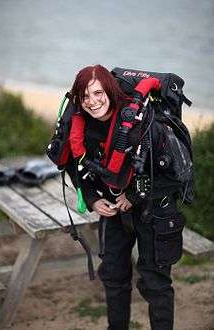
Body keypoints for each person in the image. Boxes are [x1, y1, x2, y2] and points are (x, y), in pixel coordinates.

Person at [66, 64, 186, 330]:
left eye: (98, 93)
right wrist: (93, 199)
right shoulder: (81, 124)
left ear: (109, 90)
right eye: (85, 96)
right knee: (114, 276)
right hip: (112, 207)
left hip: (154, 207)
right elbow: (75, 166)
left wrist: (133, 195)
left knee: (155, 283)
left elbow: (172, 176)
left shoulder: (144, 124)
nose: (92, 102)